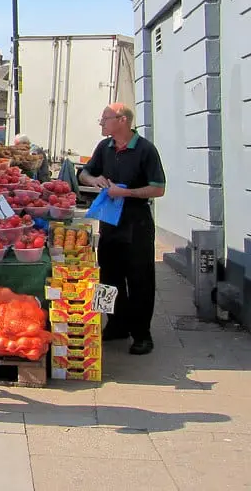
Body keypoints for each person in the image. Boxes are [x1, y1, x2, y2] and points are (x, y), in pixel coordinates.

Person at [79, 104, 165, 356]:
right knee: (108, 277)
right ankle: (116, 324)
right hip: (109, 222)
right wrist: (94, 180)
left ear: (123, 120)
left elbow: (158, 188)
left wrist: (125, 192)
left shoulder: (145, 150)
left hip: (136, 223)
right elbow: (85, 173)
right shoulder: (103, 148)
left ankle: (142, 334)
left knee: (140, 280)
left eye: (105, 118)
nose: (101, 123)